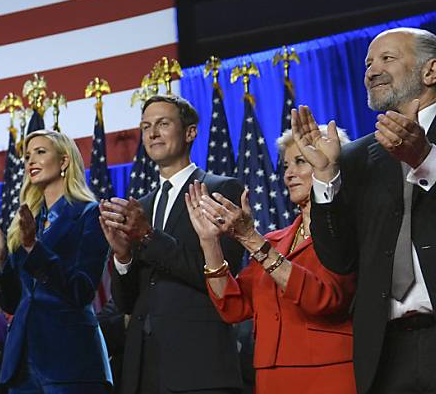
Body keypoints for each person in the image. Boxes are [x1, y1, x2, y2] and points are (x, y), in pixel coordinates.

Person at [291, 27, 436, 393]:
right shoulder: (355, 156)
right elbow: (340, 259)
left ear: (430, 72)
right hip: (386, 350)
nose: (371, 71)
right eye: (368, 62)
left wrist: (425, 162)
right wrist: (325, 179)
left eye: (387, 58)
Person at [186, 127, 356, 393]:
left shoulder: (347, 233)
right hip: (271, 376)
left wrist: (251, 239)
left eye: (300, 161)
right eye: (286, 165)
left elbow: (322, 299)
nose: (288, 174)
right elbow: (233, 306)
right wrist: (209, 243)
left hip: (328, 372)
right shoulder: (275, 241)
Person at [99, 94, 244, 394]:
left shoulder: (219, 190)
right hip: (143, 370)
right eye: (146, 126)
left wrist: (148, 236)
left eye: (163, 124)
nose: (152, 133)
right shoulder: (141, 206)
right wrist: (123, 257)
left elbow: (216, 278)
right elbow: (127, 303)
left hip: (198, 367)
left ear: (190, 132)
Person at [0, 129, 112, 393]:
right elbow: (12, 301)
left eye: (40, 152)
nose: (30, 161)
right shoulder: (26, 220)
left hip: (69, 361)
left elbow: (81, 290)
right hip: (21, 364)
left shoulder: (90, 215)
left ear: (64, 161)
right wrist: (1, 260)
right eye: (26, 156)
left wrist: (34, 248)